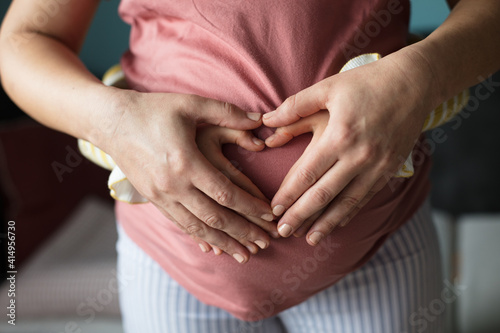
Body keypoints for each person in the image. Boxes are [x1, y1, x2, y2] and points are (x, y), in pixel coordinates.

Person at [1, 0, 499, 332]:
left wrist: (418, 77)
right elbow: (24, 39)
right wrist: (113, 120)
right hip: (168, 254)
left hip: (378, 243)